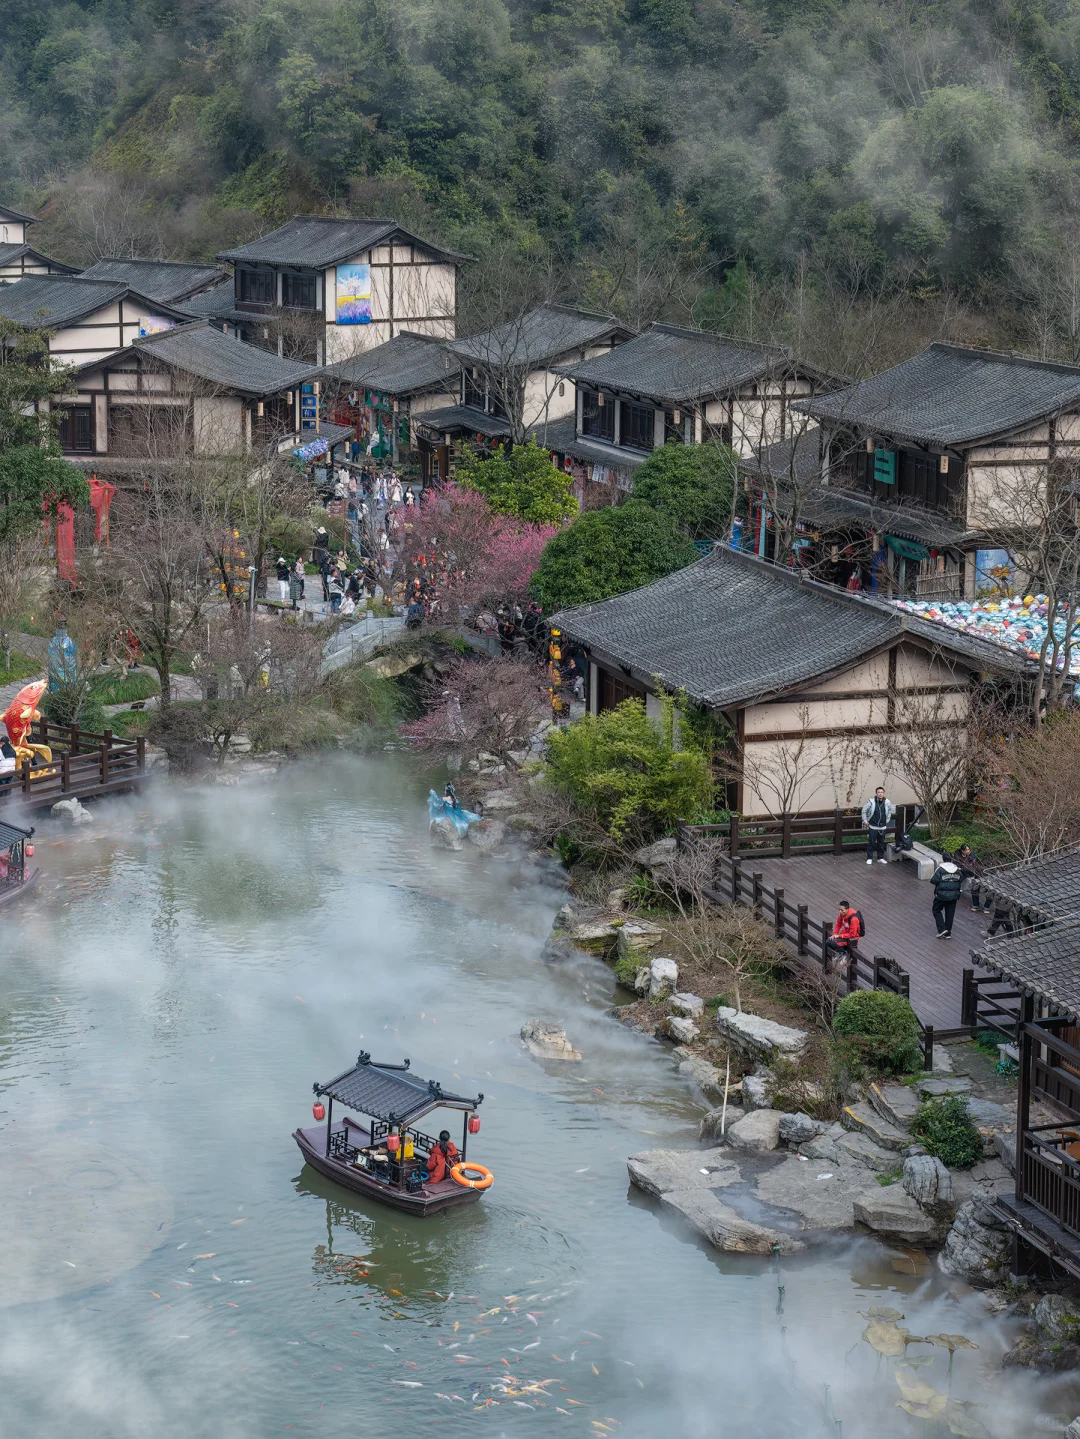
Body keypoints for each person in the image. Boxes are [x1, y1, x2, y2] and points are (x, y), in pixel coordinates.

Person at [861, 787, 895, 865]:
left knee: (881, 843)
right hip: (873, 826)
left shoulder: (887, 802)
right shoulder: (871, 802)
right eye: (878, 792)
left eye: (881, 792)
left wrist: (887, 819)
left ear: (884, 793)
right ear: (876, 793)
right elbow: (864, 811)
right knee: (871, 843)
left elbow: (890, 810)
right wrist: (865, 821)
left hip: (883, 826)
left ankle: (880, 858)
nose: (880, 793)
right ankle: (869, 858)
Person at [930, 860, 963, 938]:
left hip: (941, 896)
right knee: (950, 914)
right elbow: (961, 879)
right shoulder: (957, 871)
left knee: (936, 910)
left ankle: (942, 929)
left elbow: (933, 880)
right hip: (954, 896)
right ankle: (948, 933)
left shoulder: (940, 869)